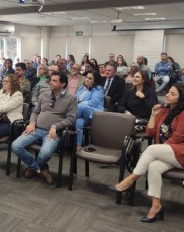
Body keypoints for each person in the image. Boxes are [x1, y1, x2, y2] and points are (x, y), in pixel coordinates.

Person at [109, 83, 184, 223]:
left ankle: (129, 181)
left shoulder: (183, 114)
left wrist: (159, 150)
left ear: (181, 99)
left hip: (180, 153)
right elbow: (149, 132)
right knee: (153, 167)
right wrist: (153, 115)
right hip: (168, 153)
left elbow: (178, 138)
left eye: (173, 94)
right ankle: (156, 206)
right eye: (168, 92)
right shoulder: (164, 111)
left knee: (152, 149)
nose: (167, 95)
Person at [12, 72, 77, 184]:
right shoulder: (44, 95)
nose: (50, 82)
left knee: (45, 153)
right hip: (36, 129)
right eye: (50, 80)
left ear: (63, 84)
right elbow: (35, 112)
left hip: (53, 132)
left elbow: (71, 119)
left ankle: (33, 168)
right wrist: (32, 123)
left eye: (54, 81)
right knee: (16, 146)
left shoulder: (71, 98)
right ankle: (39, 169)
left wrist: (55, 126)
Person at [75, 70, 104, 151]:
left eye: (90, 78)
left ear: (95, 81)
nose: (87, 79)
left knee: (81, 106)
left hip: (94, 113)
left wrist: (80, 104)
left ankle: (68, 117)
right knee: (79, 122)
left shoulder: (99, 89)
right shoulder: (81, 87)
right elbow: (75, 99)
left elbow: (93, 103)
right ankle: (78, 145)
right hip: (81, 114)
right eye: (86, 77)